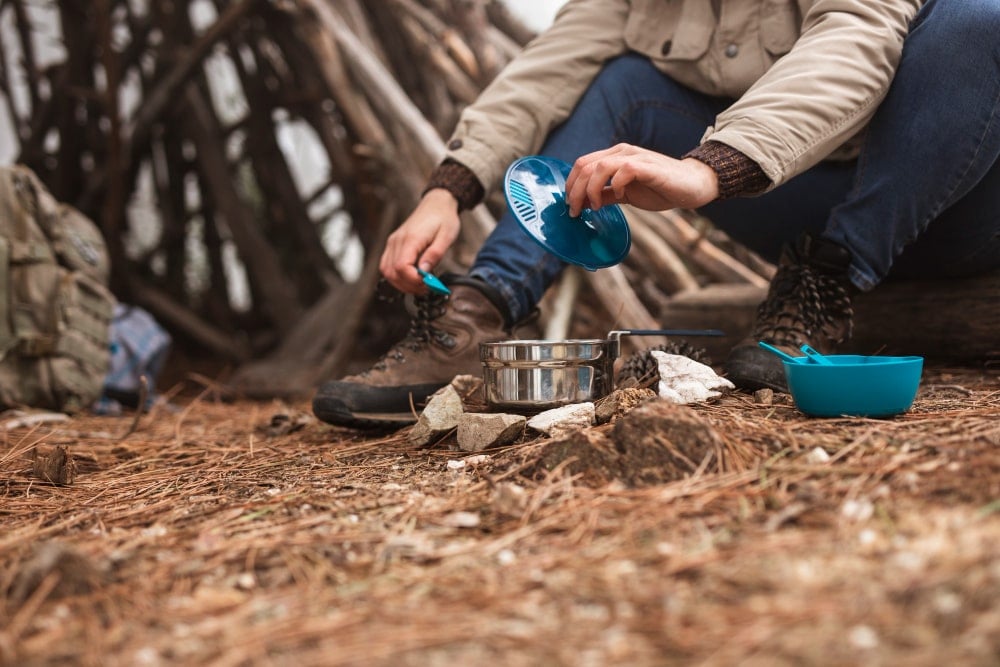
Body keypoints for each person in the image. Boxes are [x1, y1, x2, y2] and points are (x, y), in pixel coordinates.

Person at [313, 0, 1000, 427]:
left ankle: (821, 289)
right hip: (797, 203)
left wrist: (709, 166)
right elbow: (551, 65)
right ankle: (473, 316)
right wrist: (449, 188)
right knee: (622, 81)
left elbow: (851, 44)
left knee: (978, 20)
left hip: (958, 202)